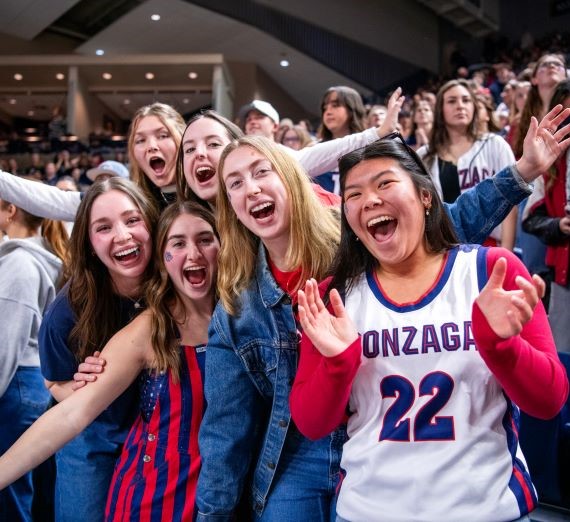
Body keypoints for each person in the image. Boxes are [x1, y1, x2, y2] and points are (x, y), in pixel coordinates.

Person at [194, 106, 570, 521]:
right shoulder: (256, 300)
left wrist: (521, 173)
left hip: (472, 495)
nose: (252, 189)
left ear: (293, 178)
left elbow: (448, 225)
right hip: (320, 461)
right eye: (235, 183)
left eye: (262, 172)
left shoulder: (384, 250)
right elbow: (237, 426)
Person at [289, 137, 569, 522]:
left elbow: (549, 400)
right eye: (353, 194)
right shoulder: (333, 295)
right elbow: (312, 423)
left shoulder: (491, 271)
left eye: (384, 183)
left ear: (425, 197)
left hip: (485, 509)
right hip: (367, 510)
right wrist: (339, 363)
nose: (369, 199)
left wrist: (502, 347)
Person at [0, 201, 219, 522]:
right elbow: (72, 413)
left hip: (222, 493)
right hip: (155, 498)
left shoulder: (240, 317)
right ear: (162, 257)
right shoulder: (150, 327)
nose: (193, 253)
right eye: (178, 243)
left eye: (204, 239)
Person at [38, 177, 158, 521]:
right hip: (93, 434)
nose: (122, 236)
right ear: (89, 244)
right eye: (103, 228)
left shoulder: (177, 284)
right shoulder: (70, 309)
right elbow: (52, 382)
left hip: (158, 435)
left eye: (132, 220)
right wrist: (87, 391)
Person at [0, 102, 185, 222]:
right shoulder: (129, 198)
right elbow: (55, 201)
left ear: (184, 140)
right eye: (140, 140)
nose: (151, 146)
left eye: (163, 135)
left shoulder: (210, 195)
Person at [0, 200, 66, 521]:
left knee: (10, 491)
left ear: (11, 210)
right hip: (26, 382)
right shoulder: (29, 259)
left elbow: (5, 344)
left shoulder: (20, 264)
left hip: (14, 385)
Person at [418, 79, 518, 249]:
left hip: (490, 245)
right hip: (443, 247)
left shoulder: (495, 144)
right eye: (451, 101)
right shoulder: (424, 155)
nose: (460, 106)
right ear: (440, 110)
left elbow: (511, 201)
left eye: (466, 100)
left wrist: (506, 252)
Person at [523, 79, 570, 352]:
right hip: (563, 275)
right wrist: (559, 225)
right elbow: (531, 219)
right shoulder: (548, 162)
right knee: (563, 356)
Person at [313, 86, 368, 194]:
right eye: (325, 108)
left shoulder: (369, 148)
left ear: (352, 109)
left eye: (335, 105)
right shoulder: (314, 149)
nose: (328, 112)